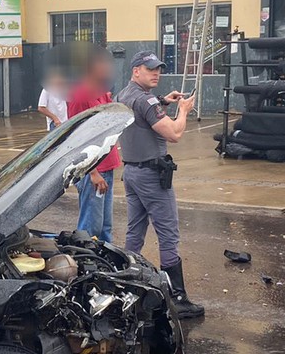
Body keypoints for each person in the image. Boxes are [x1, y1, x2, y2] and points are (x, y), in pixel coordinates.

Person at [117, 51, 204, 319]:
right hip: (151, 177)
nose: (157, 73)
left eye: (158, 69)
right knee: (168, 234)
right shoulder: (144, 100)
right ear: (136, 71)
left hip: (131, 172)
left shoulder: (124, 95)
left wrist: (165, 101)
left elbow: (143, 113)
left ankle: (125, 285)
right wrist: (183, 111)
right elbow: (175, 133)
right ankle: (177, 298)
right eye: (150, 69)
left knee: (135, 231)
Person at [66, 47, 119, 241]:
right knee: (90, 229)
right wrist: (93, 173)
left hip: (107, 166)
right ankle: (84, 263)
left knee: (105, 227)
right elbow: (77, 138)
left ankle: (107, 267)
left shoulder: (102, 92)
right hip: (94, 171)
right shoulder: (80, 95)